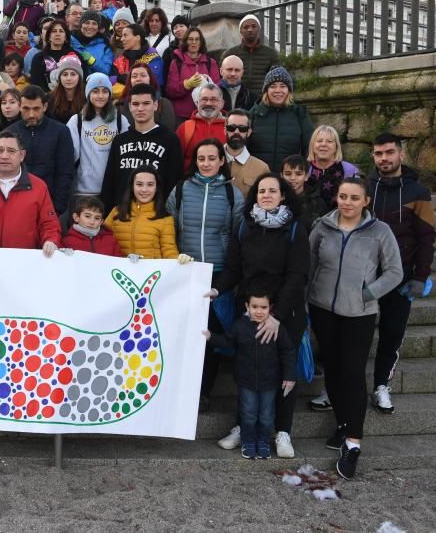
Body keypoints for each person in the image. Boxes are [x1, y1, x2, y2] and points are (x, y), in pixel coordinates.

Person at [208, 173, 310, 458]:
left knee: (282, 374)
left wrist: (276, 316)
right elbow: (233, 269)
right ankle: (244, 427)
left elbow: (297, 276)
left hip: (284, 313)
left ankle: (282, 432)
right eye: (261, 191)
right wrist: (217, 289)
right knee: (249, 371)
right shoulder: (245, 227)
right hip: (250, 312)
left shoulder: (294, 229)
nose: (266, 195)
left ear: (283, 195)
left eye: (272, 191)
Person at [308, 177, 403, 479]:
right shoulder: (322, 227)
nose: (346, 202)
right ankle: (341, 423)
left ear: (366, 201)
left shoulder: (380, 232)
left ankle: (353, 443)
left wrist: (367, 293)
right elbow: (309, 264)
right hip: (323, 309)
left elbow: (394, 271)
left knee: (351, 373)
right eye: (342, 196)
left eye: (353, 197)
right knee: (333, 371)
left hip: (359, 314)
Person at [166, 139, 244, 411]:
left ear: (221, 161)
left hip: (216, 273)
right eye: (201, 158)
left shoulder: (233, 194)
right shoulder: (181, 189)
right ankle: (177, 388)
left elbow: (237, 235)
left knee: (207, 336)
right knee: (180, 334)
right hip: (186, 271)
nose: (207, 163)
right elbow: (170, 227)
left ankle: (203, 392)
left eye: (212, 158)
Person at [368, 133, 436, 415]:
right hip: (366, 274)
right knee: (353, 334)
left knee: (392, 333)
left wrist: (420, 276)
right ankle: (337, 385)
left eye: (389, 152)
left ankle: (381, 385)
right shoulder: (366, 187)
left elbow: (426, 237)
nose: (384, 158)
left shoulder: (418, 192)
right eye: (378, 153)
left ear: (401, 155)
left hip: (401, 276)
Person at [204, 291, 296, 460]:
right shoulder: (240, 325)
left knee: (267, 416)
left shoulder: (277, 328)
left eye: (264, 307)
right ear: (247, 307)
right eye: (254, 307)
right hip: (246, 381)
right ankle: (248, 441)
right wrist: (211, 337)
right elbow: (226, 341)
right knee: (248, 413)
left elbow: (288, 352)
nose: (259, 311)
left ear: (271, 308)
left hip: (270, 381)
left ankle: (263, 442)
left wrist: (289, 376)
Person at [0, 130, 61, 254]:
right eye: (0, 150)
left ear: (22, 155)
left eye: (11, 151)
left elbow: (49, 224)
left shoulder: (38, 187)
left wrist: (50, 240)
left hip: (24, 261)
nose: (4, 156)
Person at [101, 83, 182, 215]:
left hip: (156, 215)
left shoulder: (170, 140)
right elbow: (110, 181)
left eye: (146, 103)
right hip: (122, 214)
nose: (140, 108)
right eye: (136, 104)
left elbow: (174, 181)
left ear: (155, 105)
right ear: (129, 106)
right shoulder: (119, 141)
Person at [6, 86, 75, 217]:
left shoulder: (60, 132)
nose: (31, 114)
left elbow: (65, 172)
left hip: (50, 205)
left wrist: (57, 208)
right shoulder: (9, 133)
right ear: (20, 106)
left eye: (36, 109)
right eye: (26, 109)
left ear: (45, 106)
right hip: (16, 206)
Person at [68, 73, 128, 199]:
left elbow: (126, 155)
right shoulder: (76, 121)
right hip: (84, 190)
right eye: (95, 91)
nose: (100, 96)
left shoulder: (120, 120)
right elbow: (69, 155)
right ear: (88, 94)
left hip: (112, 189)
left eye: (105, 91)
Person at [248, 66, 314, 173]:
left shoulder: (299, 114)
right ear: (266, 90)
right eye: (273, 86)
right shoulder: (253, 114)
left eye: (282, 86)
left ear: (289, 90)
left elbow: (310, 146)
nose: (278, 91)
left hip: (289, 178)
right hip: (258, 178)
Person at [104, 167, 178, 259]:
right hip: (119, 271)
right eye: (139, 184)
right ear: (132, 186)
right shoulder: (116, 212)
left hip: (152, 272)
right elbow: (102, 242)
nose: (144, 189)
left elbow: (169, 250)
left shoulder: (165, 218)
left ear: (156, 188)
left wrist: (178, 263)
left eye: (150, 185)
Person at [165, 26, 221, 124]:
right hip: (182, 116)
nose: (194, 42)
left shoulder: (210, 62)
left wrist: (207, 82)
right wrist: (186, 84)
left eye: (197, 39)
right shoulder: (176, 62)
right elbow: (170, 90)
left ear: (201, 42)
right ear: (186, 41)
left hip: (206, 115)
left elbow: (218, 88)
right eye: (190, 39)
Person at [221, 14, 281, 102]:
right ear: (240, 31)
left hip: (263, 102)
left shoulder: (271, 54)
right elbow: (222, 78)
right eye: (246, 27)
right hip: (236, 101)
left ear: (259, 29)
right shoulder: (230, 54)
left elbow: (277, 79)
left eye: (253, 26)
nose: (250, 30)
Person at [175, 80, 227, 173]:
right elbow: (175, 162)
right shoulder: (185, 128)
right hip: (190, 184)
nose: (208, 103)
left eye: (213, 99)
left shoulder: (230, 128)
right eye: (204, 99)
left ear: (221, 103)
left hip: (222, 184)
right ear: (197, 102)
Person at [307, 125, 360, 208]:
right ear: (312, 146)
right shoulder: (304, 170)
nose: (324, 144)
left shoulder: (350, 170)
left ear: (336, 147)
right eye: (319, 141)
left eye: (329, 141)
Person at [110, 23, 165, 100]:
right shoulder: (119, 60)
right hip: (123, 105)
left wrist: (122, 78)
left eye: (125, 35)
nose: (122, 39)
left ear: (138, 37)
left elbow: (152, 82)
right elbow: (111, 81)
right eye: (122, 36)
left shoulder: (153, 56)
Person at [224, 109, 271, 197]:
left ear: (248, 132)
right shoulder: (209, 162)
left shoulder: (262, 168)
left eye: (242, 128)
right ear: (225, 130)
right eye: (231, 128)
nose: (236, 132)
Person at [281, 154, 328, 233]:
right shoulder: (274, 199)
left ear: (306, 176)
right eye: (288, 174)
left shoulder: (318, 203)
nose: (293, 178)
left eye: (298, 174)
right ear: (281, 175)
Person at [30, 20, 80, 90]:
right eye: (54, 31)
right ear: (49, 36)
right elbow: (36, 86)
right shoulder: (39, 58)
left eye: (61, 31)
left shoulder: (75, 56)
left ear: (66, 37)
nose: (57, 34)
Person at [70, 11, 114, 76]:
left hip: (93, 84)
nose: (90, 26)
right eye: (87, 23)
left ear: (98, 27)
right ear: (81, 24)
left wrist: (92, 61)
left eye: (94, 23)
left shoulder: (105, 46)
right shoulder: (70, 41)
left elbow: (106, 71)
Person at [46, 55, 85, 124]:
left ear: (79, 77)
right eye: (65, 74)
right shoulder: (49, 99)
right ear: (59, 77)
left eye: (73, 74)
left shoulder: (87, 98)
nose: (68, 78)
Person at [161, 15, 189, 81]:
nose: (178, 29)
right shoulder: (168, 51)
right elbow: (165, 74)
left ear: (188, 27)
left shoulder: (195, 47)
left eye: (181, 26)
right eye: (175, 27)